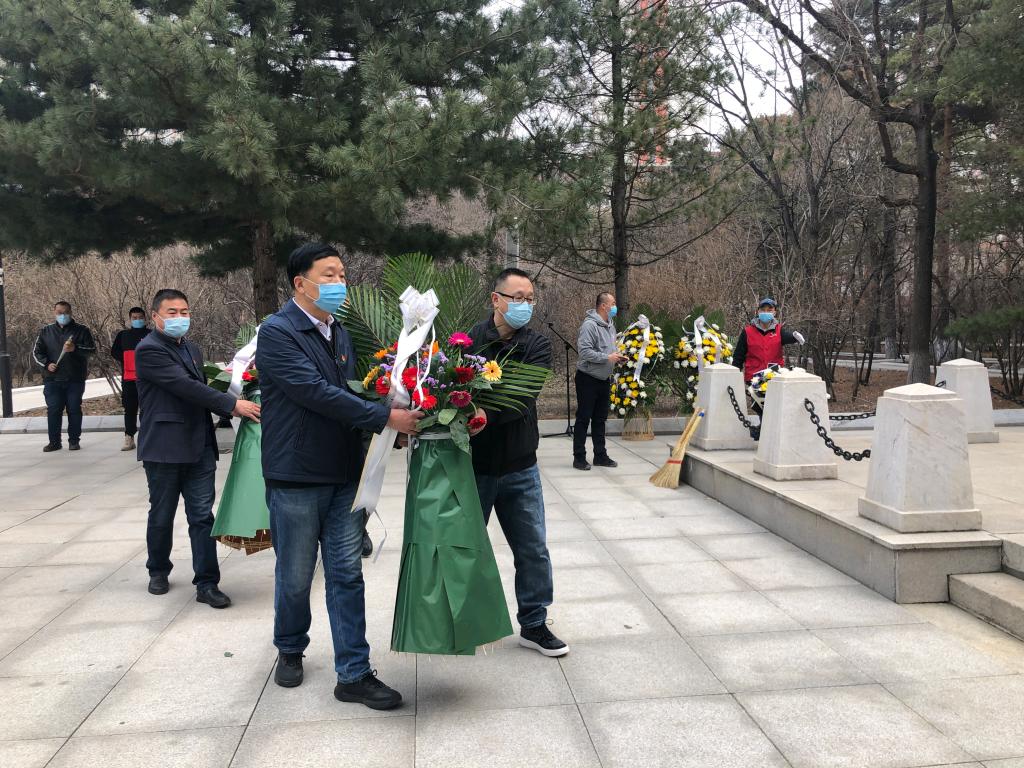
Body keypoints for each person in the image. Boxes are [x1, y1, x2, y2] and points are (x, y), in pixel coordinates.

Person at [256, 243, 421, 710]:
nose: (339, 283)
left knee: (347, 574)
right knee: (295, 575)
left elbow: (349, 395)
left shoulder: (339, 332)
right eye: (329, 275)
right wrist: (384, 418)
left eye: (342, 275)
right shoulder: (277, 332)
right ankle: (290, 647)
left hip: (345, 474)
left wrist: (390, 426)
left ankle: (353, 673)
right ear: (300, 283)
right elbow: (314, 392)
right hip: (296, 476)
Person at [135, 289, 261, 606]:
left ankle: (207, 583)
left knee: (202, 517)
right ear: (155, 316)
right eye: (172, 312)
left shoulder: (191, 348)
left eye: (184, 312)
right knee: (162, 514)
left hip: (199, 446)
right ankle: (158, 570)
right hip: (164, 448)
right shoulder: (148, 349)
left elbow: (202, 388)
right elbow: (185, 387)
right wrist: (232, 405)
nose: (180, 318)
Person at [468, 267, 569, 658]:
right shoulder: (468, 341)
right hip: (474, 467)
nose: (526, 305)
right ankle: (465, 622)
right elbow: (455, 388)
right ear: (497, 299)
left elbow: (521, 395)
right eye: (518, 298)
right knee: (467, 549)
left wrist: (482, 412)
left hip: (519, 465)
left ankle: (534, 622)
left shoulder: (537, 344)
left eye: (530, 298)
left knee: (532, 550)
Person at [731, 297, 805, 439]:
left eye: (769, 310)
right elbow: (738, 355)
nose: (766, 312)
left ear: (774, 312)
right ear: (758, 311)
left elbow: (788, 337)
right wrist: (734, 373)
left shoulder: (778, 330)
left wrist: (795, 337)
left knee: (773, 405)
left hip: (774, 375)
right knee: (759, 405)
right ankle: (766, 432)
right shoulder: (748, 332)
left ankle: (766, 432)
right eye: (763, 309)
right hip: (754, 376)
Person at [572, 292, 626, 471]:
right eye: (613, 303)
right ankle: (579, 458)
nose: (615, 306)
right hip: (588, 378)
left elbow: (609, 351)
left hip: (604, 379)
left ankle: (600, 456)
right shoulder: (589, 325)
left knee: (600, 419)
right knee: (583, 418)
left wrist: (617, 358)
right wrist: (607, 357)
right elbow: (584, 352)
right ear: (603, 306)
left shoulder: (610, 325)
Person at [32, 301, 96, 452]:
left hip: (75, 378)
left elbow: (91, 350)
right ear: (54, 313)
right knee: (53, 410)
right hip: (52, 379)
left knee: (74, 409)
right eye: (59, 313)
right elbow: (36, 352)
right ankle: (54, 442)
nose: (63, 315)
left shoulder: (82, 330)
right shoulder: (45, 331)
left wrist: (75, 348)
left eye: (66, 312)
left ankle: (74, 441)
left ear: (71, 312)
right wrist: (47, 364)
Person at [111, 306, 151, 451]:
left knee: (148, 409)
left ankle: (147, 437)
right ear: (130, 319)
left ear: (145, 319)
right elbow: (114, 352)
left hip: (147, 379)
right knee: (130, 409)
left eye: (140, 317)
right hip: (129, 378)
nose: (137, 320)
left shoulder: (151, 334)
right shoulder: (123, 335)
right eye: (134, 318)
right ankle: (129, 437)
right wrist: (128, 359)